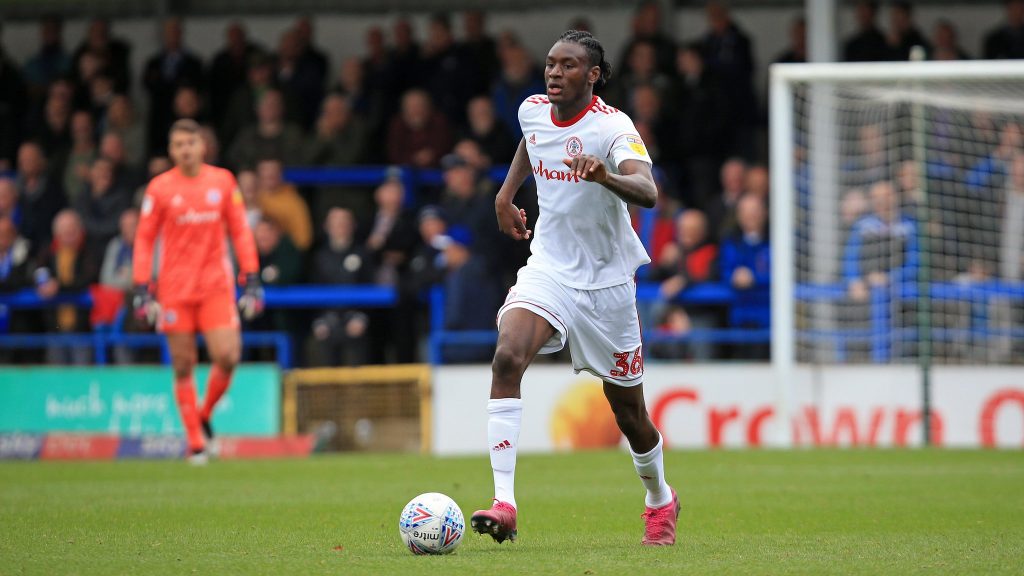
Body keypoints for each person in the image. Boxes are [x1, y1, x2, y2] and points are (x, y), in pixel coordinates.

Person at [472, 30, 678, 546]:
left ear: (593, 75)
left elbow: (648, 191)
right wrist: (505, 193)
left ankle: (659, 499)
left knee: (629, 414)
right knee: (506, 358)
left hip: (608, 286)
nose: (554, 73)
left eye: (567, 66)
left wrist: (606, 177)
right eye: (550, 64)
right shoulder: (533, 109)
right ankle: (505, 502)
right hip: (550, 269)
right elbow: (531, 140)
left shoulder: (614, 127)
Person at [131, 119, 263, 464]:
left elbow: (240, 231)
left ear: (202, 146)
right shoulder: (159, 189)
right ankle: (195, 443)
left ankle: (203, 415)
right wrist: (143, 286)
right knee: (182, 363)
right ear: (171, 150)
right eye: (178, 144)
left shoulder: (222, 181)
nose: (185, 149)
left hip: (215, 286)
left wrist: (250, 275)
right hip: (174, 290)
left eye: (191, 142)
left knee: (228, 356)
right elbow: (144, 239)